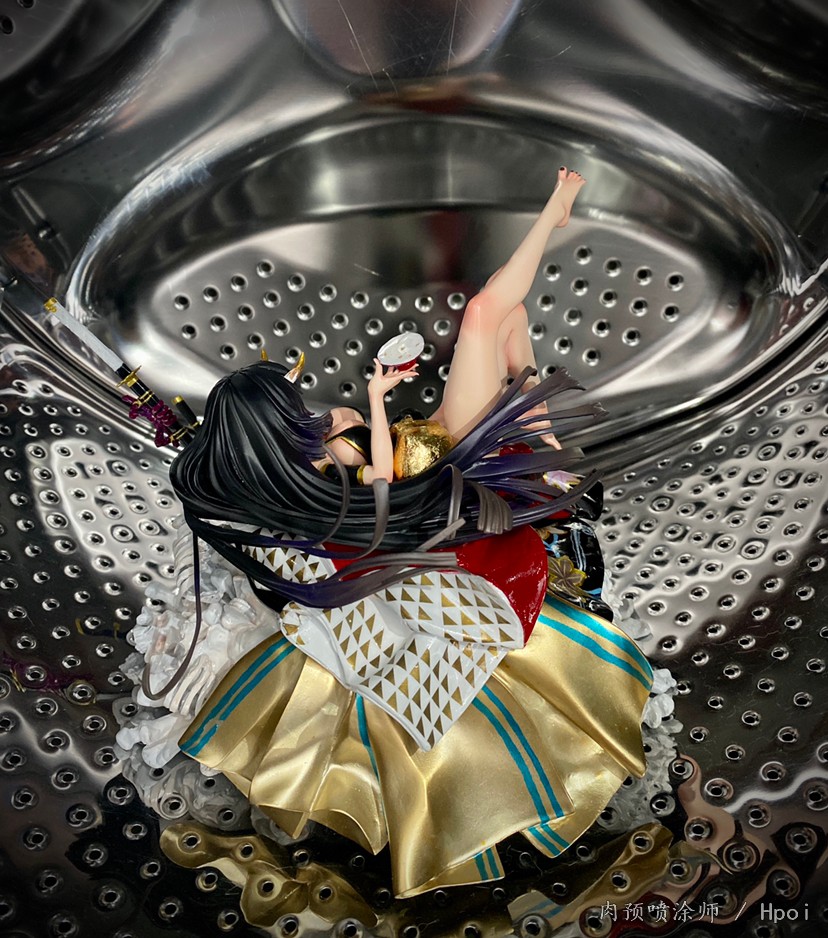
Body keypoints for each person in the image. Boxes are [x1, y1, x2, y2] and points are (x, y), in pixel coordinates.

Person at [127, 167, 657, 900]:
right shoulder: (319, 479)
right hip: (441, 455)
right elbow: (381, 486)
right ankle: (553, 218)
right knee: (487, 313)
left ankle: (537, 428)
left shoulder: (306, 472)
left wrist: (369, 405)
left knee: (501, 321)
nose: (315, 409)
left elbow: (369, 476)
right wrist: (368, 418)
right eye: (296, 409)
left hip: (430, 451)